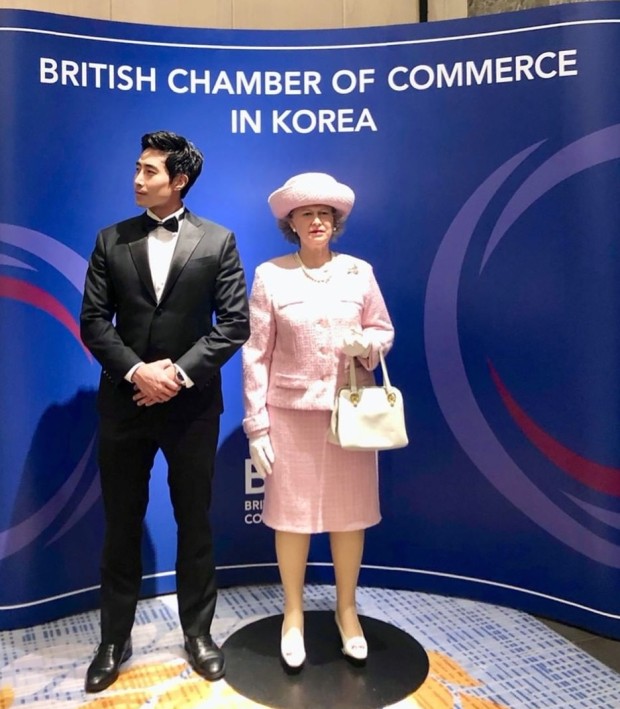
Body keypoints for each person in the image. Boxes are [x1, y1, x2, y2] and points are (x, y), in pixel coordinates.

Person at [80, 130, 249, 692]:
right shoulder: (110, 240)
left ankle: (198, 634)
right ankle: (114, 639)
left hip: (192, 406)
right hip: (124, 403)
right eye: (137, 168)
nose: (137, 178)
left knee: (194, 521)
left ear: (179, 181)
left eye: (149, 171)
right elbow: (93, 321)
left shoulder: (217, 241)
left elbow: (234, 323)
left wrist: (175, 375)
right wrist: (138, 372)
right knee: (120, 524)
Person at [242, 172, 394, 670]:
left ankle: (347, 611)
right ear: (291, 222)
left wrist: (368, 345)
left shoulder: (359, 272)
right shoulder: (270, 276)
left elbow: (382, 329)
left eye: (325, 213)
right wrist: (256, 425)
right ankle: (293, 614)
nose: (316, 221)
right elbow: (255, 353)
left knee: (350, 515)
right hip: (290, 416)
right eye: (306, 213)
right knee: (292, 517)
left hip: (351, 413)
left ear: (336, 221)